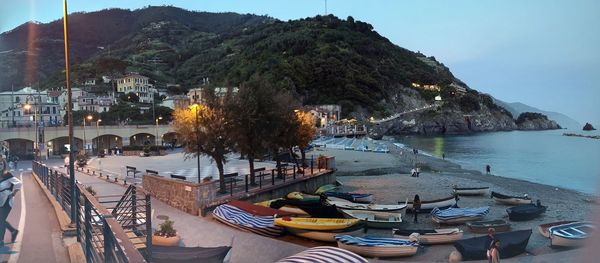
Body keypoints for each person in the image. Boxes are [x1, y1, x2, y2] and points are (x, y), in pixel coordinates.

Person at [0, 157, 20, 246]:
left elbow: (19, 183)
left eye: (1, 164)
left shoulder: (7, 175)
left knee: (1, 220)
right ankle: (13, 231)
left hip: (7, 200)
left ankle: (1, 241)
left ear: (4, 165)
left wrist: (13, 193)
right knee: (1, 220)